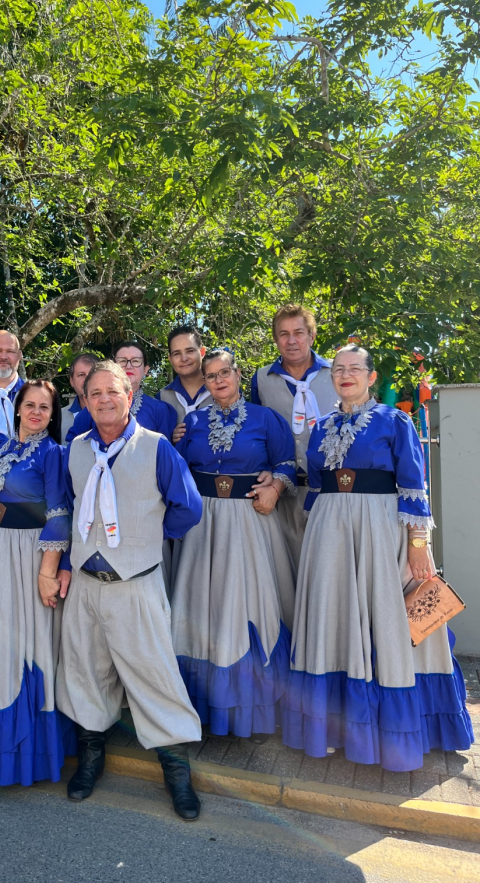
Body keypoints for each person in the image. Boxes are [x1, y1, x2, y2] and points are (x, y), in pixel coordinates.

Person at [282, 345, 474, 771]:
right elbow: (315, 487)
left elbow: (414, 486)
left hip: (379, 532)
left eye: (355, 369)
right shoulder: (320, 427)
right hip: (329, 534)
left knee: (387, 623)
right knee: (334, 621)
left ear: (371, 378)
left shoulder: (396, 421)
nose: (346, 375)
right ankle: (334, 729)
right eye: (339, 370)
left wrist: (418, 545)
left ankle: (393, 732)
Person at [56, 361, 205, 821]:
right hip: (85, 583)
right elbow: (68, 507)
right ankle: (91, 760)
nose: (103, 399)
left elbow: (188, 509)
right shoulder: (75, 449)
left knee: (154, 676)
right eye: (94, 393)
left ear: (128, 395)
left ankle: (177, 774)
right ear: (85, 401)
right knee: (86, 673)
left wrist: (146, 541)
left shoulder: (156, 448)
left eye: (112, 391)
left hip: (135, 583)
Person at [171, 349, 297, 743]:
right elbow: (175, 468)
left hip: (250, 520)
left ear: (238, 374)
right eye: (211, 376)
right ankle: (201, 704)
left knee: (248, 605)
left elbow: (288, 463)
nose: (219, 380)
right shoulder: (191, 422)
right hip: (202, 526)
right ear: (204, 382)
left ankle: (252, 706)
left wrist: (276, 486)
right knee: (201, 608)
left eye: (225, 372)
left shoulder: (265, 419)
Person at [0, 380, 75, 791]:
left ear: (52, 414)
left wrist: (48, 570)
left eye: (45, 407)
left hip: (28, 554)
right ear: (17, 408)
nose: (37, 413)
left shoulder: (54, 454)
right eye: (30, 404)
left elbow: (60, 513)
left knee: (23, 645)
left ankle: (24, 751)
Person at [251, 304, 337, 567]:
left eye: (298, 332)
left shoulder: (337, 372)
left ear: (312, 336)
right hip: (284, 495)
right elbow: (257, 432)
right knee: (288, 570)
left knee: (329, 568)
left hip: (332, 493)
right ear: (276, 339)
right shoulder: (262, 379)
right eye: (283, 334)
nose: (291, 341)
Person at [65, 341, 176, 444]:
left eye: (135, 361)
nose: (128, 366)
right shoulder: (95, 408)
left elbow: (164, 455)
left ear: (146, 369)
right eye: (122, 361)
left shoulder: (159, 410)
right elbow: (74, 450)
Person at [158, 324, 213, 444]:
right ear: (170, 358)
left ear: (202, 352)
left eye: (190, 351)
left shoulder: (220, 389)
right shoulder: (162, 398)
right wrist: (170, 438)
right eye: (177, 353)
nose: (184, 358)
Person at [60, 353, 99, 442]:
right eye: (81, 375)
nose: (87, 379)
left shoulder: (112, 414)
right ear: (72, 381)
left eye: (91, 374)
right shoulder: (59, 418)